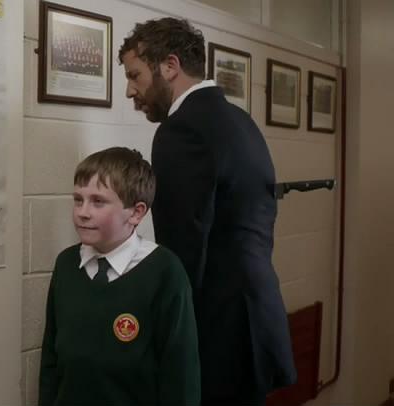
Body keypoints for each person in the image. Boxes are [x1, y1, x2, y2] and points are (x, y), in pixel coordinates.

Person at [119, 18, 297, 405]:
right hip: (255, 317)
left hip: (219, 332)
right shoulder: (241, 121)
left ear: (170, 65)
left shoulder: (181, 130)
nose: (130, 90)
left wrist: (164, 336)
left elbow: (184, 247)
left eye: (135, 75)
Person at [38, 147, 200, 406]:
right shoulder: (67, 264)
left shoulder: (165, 272)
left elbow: (180, 375)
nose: (83, 212)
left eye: (98, 202)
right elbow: (50, 359)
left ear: (136, 212)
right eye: (78, 200)